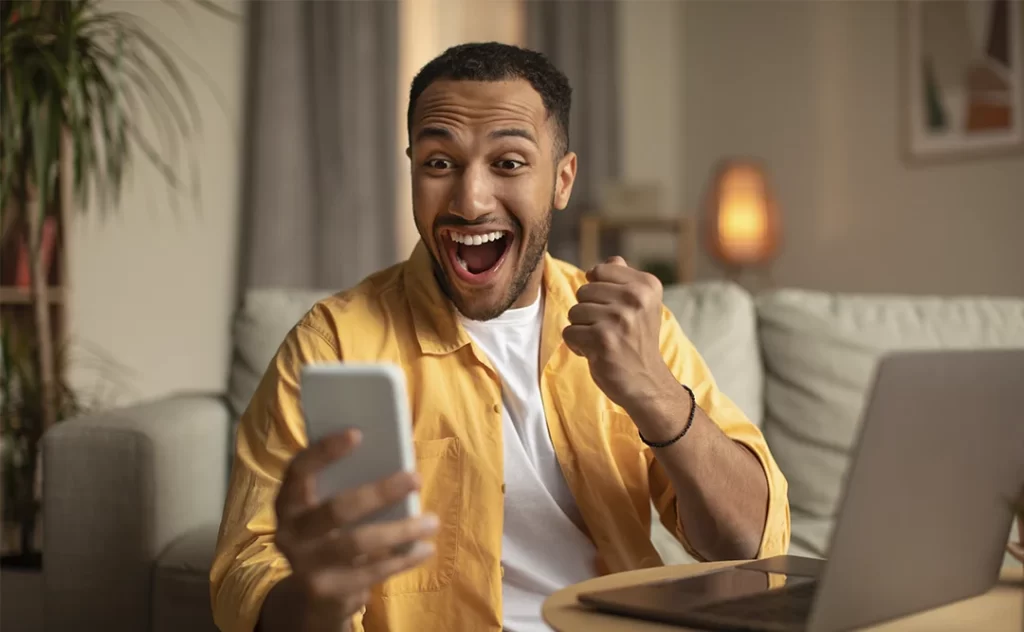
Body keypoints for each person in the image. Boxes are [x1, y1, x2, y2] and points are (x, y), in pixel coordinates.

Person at [210, 42, 790, 632]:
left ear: (562, 180)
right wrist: (316, 598)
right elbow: (246, 573)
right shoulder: (329, 343)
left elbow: (751, 548)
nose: (470, 200)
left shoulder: (637, 330)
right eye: (439, 163)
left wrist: (657, 395)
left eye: (508, 164)